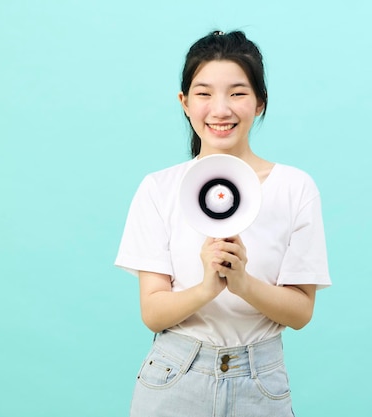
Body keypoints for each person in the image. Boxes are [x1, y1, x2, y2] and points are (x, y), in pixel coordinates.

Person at [115, 30, 331, 417]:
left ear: (260, 102)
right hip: (174, 377)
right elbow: (152, 312)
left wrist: (243, 283)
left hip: (260, 382)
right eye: (203, 93)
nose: (220, 109)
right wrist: (207, 287)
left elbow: (300, 313)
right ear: (184, 102)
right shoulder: (158, 189)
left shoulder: (295, 188)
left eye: (237, 92)